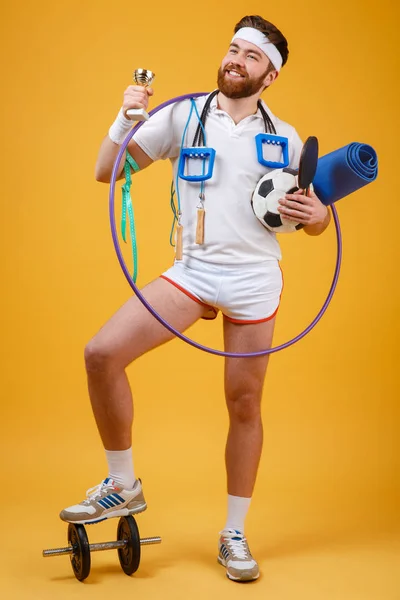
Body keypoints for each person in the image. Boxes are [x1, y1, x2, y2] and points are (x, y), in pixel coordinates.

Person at [60, 14, 330, 582]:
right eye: (233, 49)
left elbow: (312, 223)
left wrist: (318, 216)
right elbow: (106, 170)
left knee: (245, 404)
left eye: (251, 56)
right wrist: (124, 118)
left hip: (256, 279)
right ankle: (122, 484)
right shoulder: (184, 115)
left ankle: (233, 534)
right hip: (195, 272)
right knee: (101, 354)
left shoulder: (284, 135)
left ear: (270, 75)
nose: (236, 60)